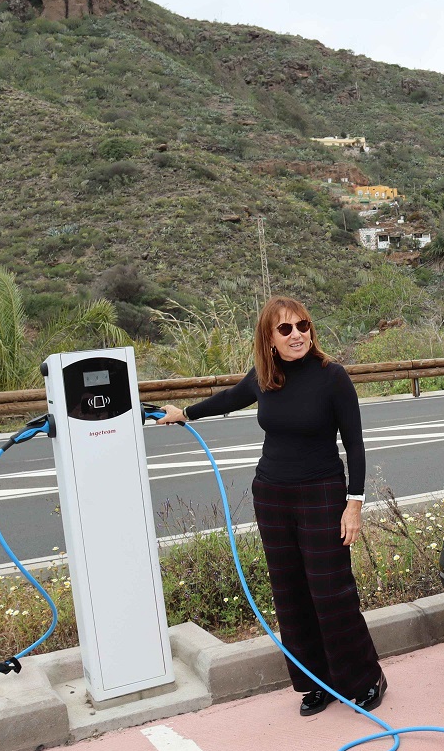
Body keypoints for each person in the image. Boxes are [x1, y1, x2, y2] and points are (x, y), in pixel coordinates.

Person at [158, 295, 385, 717]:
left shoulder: (332, 377)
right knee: (290, 593)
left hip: (321, 494)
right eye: (285, 329)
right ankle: (315, 682)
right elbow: (227, 399)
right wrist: (184, 412)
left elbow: (354, 444)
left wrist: (353, 504)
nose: (297, 334)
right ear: (270, 338)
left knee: (331, 592)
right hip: (272, 495)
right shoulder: (264, 377)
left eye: (302, 326)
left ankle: (363, 678)